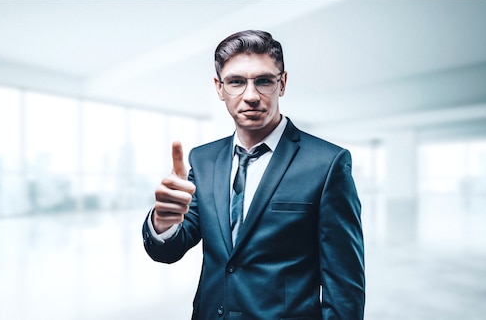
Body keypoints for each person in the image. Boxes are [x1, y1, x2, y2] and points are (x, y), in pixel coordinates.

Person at [142, 29, 365, 320]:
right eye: (236, 82)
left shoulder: (327, 163)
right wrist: (163, 221)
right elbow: (169, 251)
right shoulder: (204, 159)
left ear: (282, 83)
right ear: (219, 88)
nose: (250, 96)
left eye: (263, 81)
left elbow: (344, 287)